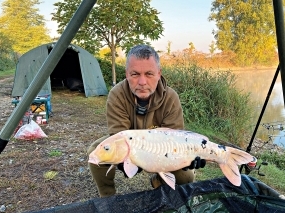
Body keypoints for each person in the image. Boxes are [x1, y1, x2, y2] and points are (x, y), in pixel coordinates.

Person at [87, 44, 205, 197]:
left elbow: (175, 140)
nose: (142, 82)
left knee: (186, 176)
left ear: (158, 73)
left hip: (162, 149)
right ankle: (107, 197)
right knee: (95, 152)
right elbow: (119, 137)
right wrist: (131, 161)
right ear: (127, 74)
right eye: (135, 74)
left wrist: (187, 158)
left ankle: (159, 181)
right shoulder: (116, 95)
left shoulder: (171, 97)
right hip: (129, 146)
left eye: (149, 74)